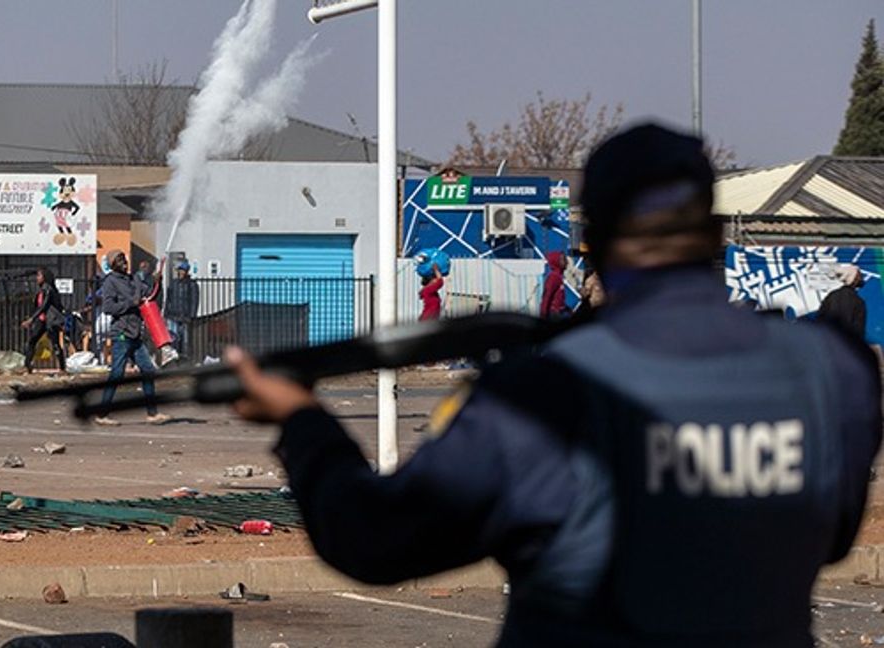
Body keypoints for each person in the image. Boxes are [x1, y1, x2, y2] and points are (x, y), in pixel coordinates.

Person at [224, 123, 882, 646]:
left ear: (591, 244)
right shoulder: (831, 373)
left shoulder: (541, 396)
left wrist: (302, 422)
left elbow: (371, 539)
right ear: (712, 235)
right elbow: (830, 536)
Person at [95, 251, 169, 425]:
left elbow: (150, 295)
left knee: (148, 370)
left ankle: (152, 413)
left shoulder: (133, 279)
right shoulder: (110, 282)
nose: (124, 262)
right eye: (119, 260)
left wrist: (158, 280)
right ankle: (102, 414)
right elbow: (107, 307)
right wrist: (130, 303)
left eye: (124, 259)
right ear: (113, 264)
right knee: (117, 374)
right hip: (121, 333)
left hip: (135, 334)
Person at [22, 267, 67, 373]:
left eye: (39, 276)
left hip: (50, 321)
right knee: (32, 341)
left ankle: (62, 367)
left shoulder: (48, 290)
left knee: (55, 344)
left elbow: (44, 306)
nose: (37, 278)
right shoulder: (41, 290)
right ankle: (27, 366)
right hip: (42, 320)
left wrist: (31, 319)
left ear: (45, 277)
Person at [817, 264, 867, 339]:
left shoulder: (832, 295)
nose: (861, 277)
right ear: (853, 278)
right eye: (859, 275)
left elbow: (820, 319)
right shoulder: (856, 300)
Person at [163, 260, 200, 358]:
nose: (181, 272)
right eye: (180, 270)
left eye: (183, 270)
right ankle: (174, 358)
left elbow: (194, 301)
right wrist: (166, 313)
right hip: (173, 316)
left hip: (185, 316)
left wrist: (191, 316)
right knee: (173, 339)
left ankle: (185, 359)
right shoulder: (173, 283)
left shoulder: (192, 284)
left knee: (185, 341)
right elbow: (168, 299)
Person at [539, 251, 569, 319]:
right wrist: (543, 315)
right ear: (556, 262)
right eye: (563, 259)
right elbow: (547, 296)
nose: (567, 262)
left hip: (560, 312)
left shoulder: (559, 277)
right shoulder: (553, 278)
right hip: (554, 314)